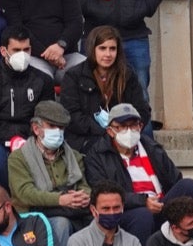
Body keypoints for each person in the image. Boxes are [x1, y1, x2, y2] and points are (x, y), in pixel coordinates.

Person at [85, 104, 193, 244]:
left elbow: (175, 179)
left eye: (133, 125)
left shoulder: (152, 147)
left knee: (188, 186)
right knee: (143, 215)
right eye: (122, 126)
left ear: (140, 127)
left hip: (160, 204)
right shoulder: (98, 154)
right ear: (110, 131)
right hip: (128, 210)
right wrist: (142, 201)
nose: (129, 131)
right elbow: (102, 193)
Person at [0, 28, 51, 187]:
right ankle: (15, 203)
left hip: (32, 140)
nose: (22, 55)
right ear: (3, 51)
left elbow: (45, 122)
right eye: (16, 50)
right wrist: (13, 140)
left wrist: (25, 141)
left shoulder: (43, 81)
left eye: (26, 49)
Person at [59, 26, 154, 156]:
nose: (108, 54)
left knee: (153, 151)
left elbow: (142, 109)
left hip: (124, 135)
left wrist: (124, 129)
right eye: (102, 48)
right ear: (93, 49)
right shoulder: (74, 76)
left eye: (112, 49)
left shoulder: (127, 75)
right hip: (86, 139)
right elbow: (72, 116)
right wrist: (107, 132)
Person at [8, 100, 90, 246]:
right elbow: (25, 193)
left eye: (61, 128)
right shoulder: (18, 158)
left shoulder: (74, 156)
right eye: (52, 126)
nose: (57, 132)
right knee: (61, 224)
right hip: (31, 216)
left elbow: (83, 185)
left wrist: (84, 197)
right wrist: (60, 199)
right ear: (36, 128)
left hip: (71, 211)